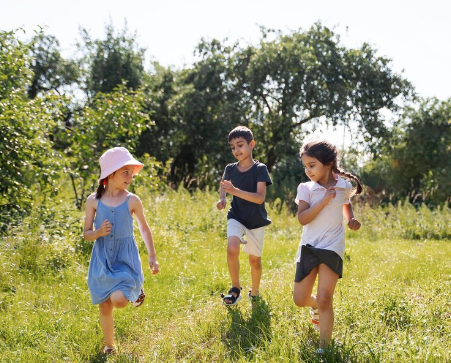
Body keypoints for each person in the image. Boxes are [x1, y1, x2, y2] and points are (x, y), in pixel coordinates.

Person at [83, 147, 159, 354]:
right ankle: (110, 346)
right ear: (111, 173)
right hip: (102, 258)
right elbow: (86, 233)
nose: (130, 176)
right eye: (125, 171)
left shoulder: (132, 200)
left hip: (125, 259)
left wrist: (152, 256)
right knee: (104, 304)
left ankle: (136, 289)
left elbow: (144, 228)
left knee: (118, 300)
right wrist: (98, 232)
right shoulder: (94, 201)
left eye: (131, 172)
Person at [292, 139, 362, 353]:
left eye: (312, 165)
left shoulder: (344, 186)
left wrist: (350, 219)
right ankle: (313, 306)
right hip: (309, 247)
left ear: (329, 163)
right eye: (305, 166)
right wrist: (322, 201)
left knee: (325, 298)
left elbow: (345, 203)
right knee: (300, 299)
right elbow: (303, 218)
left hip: (332, 247)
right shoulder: (306, 188)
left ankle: (325, 347)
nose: (308, 171)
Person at [217, 126, 272, 305]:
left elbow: (259, 198)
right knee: (232, 247)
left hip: (256, 221)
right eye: (232, 147)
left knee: (254, 261)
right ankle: (235, 289)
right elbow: (224, 185)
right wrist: (223, 197)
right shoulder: (230, 168)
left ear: (251, 144)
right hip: (236, 215)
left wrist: (234, 191)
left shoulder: (260, 169)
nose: (236, 150)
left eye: (240, 145)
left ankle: (254, 292)